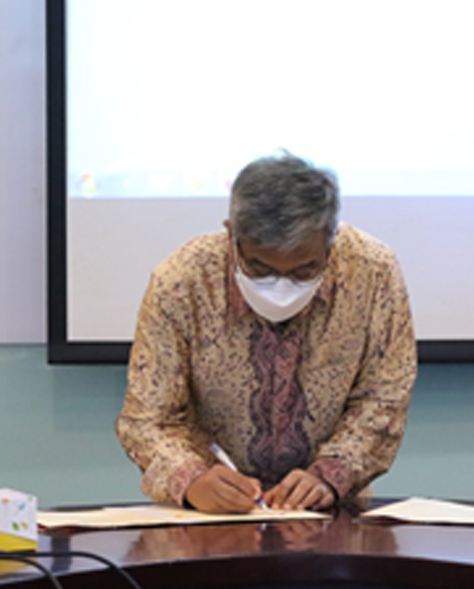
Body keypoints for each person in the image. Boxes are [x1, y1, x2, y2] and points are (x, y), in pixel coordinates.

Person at [116, 153, 417, 514]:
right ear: (231, 235)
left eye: (304, 271)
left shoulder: (373, 272)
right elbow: (149, 418)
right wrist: (191, 478)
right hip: (205, 513)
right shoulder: (182, 280)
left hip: (328, 514)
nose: (281, 287)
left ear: (331, 241)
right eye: (259, 269)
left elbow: (383, 400)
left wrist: (328, 475)